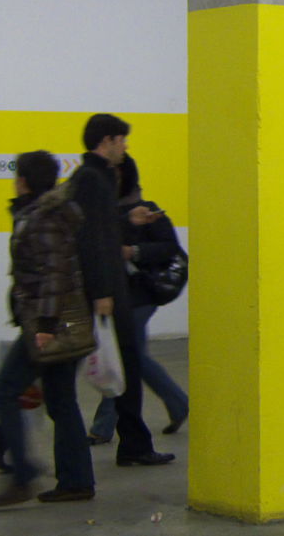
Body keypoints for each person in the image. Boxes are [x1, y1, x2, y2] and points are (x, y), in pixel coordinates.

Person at [0, 151, 97, 506]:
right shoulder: (42, 213)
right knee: (62, 401)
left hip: (47, 324)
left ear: (25, 179)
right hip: (54, 321)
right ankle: (76, 481)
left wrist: (45, 326)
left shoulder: (44, 218)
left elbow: (54, 274)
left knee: (4, 392)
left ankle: (25, 473)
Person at [70, 114, 174, 467]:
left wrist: (129, 221)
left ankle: (134, 443)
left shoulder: (92, 178)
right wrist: (101, 293)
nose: (125, 147)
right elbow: (91, 238)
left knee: (126, 363)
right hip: (107, 290)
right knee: (119, 362)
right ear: (108, 140)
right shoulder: (93, 180)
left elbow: (101, 228)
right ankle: (134, 445)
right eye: (122, 140)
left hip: (110, 288)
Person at [87, 156, 189, 444]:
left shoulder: (148, 211)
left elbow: (170, 248)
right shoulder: (106, 213)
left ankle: (104, 426)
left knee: (126, 356)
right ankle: (178, 403)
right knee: (131, 357)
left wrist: (134, 252)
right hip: (117, 295)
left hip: (142, 294)